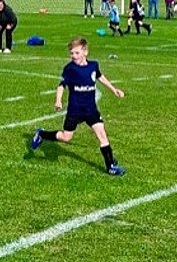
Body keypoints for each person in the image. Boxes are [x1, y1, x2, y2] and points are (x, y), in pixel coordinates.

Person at [30, 36, 126, 176]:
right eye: (71, 53)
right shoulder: (70, 69)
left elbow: (101, 78)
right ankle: (42, 134)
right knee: (66, 137)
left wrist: (114, 89)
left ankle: (110, 165)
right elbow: (61, 85)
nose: (74, 56)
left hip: (90, 109)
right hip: (75, 110)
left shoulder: (94, 66)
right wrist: (58, 100)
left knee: (102, 134)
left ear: (85, 52)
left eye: (77, 53)